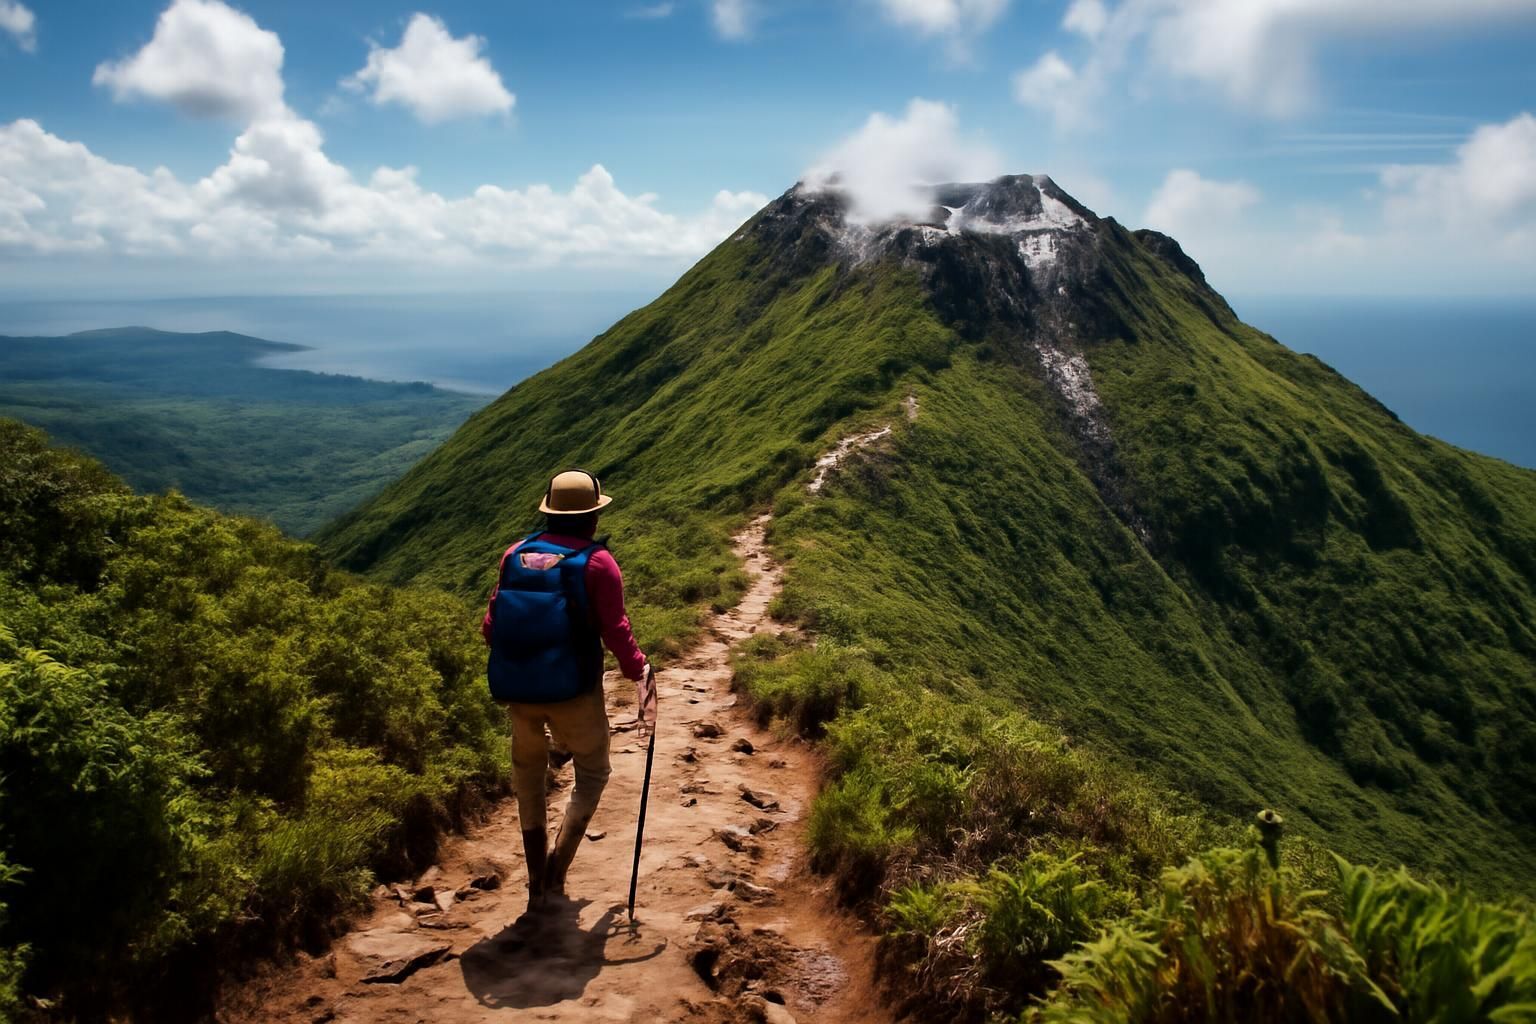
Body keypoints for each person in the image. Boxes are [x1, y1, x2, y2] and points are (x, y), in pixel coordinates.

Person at [481, 470, 658, 913]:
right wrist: (639, 671)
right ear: (593, 517)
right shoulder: (598, 562)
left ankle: (535, 876)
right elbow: (615, 629)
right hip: (573, 691)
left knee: (528, 779)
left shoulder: (515, 554)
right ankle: (558, 870)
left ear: (551, 512)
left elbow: (490, 627)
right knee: (593, 773)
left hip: (518, 691)